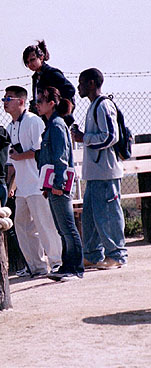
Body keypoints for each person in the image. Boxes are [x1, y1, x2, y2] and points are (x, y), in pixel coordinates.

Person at [3, 86, 62, 277]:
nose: (5, 102)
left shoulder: (33, 121)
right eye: (4, 99)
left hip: (38, 184)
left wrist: (21, 156)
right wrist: (11, 186)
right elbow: (11, 161)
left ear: (21, 101)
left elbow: (39, 151)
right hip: (22, 186)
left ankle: (57, 262)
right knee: (22, 227)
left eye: (8, 98)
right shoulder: (9, 127)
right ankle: (35, 266)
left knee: (44, 225)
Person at [72, 68, 128, 269]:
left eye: (81, 82)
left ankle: (117, 255)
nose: (78, 87)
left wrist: (83, 138)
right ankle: (93, 254)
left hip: (106, 172)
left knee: (108, 214)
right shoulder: (93, 106)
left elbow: (110, 136)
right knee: (91, 215)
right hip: (95, 173)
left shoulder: (103, 106)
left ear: (92, 83)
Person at [35, 87, 84, 281]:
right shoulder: (51, 125)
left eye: (41, 101)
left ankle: (75, 268)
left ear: (52, 103)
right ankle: (67, 265)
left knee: (68, 227)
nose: (37, 104)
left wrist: (57, 182)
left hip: (60, 184)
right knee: (62, 228)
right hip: (53, 185)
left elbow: (61, 158)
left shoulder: (56, 126)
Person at [23, 40, 76, 126]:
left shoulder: (52, 73)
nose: (30, 64)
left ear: (41, 57)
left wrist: (57, 106)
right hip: (46, 119)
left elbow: (70, 90)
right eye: (27, 62)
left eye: (32, 60)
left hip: (59, 118)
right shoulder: (36, 77)